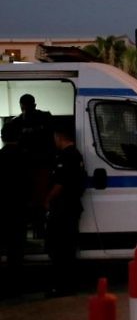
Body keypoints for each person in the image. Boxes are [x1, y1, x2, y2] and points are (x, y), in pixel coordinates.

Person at [44, 123, 87, 297]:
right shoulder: (76, 155)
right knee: (68, 249)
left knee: (60, 250)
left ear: (59, 137)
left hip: (63, 209)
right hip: (71, 207)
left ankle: (61, 287)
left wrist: (46, 200)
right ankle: (69, 286)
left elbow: (59, 184)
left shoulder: (66, 156)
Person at [12, 94, 55, 238]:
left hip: (41, 165)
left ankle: (39, 229)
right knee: (29, 200)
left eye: (27, 107)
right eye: (23, 107)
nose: (25, 110)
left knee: (39, 200)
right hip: (26, 166)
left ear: (34, 106)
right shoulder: (17, 122)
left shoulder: (44, 118)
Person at [0, 121, 29, 297]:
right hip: (20, 208)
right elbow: (29, 184)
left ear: (3, 137)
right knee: (16, 249)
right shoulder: (25, 157)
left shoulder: (0, 156)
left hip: (3, 208)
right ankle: (17, 286)